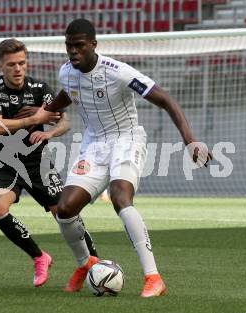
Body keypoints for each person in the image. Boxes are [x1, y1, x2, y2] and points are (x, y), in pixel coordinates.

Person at [56, 19, 212, 297]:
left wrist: (190, 140)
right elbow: (67, 95)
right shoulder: (66, 72)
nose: (73, 51)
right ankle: (85, 263)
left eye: (79, 45)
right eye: (69, 46)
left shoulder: (118, 72)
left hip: (126, 139)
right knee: (65, 208)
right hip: (93, 145)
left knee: (120, 197)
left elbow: (165, 99)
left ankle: (153, 277)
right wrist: (43, 111)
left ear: (93, 44)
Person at [0, 38, 98, 288]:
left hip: (39, 164)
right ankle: (39, 256)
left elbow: (64, 122)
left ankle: (92, 263)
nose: (17, 68)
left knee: (65, 214)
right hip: (7, 162)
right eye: (11, 64)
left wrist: (48, 132)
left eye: (22, 63)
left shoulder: (39, 88)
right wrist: (35, 118)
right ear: (0, 65)